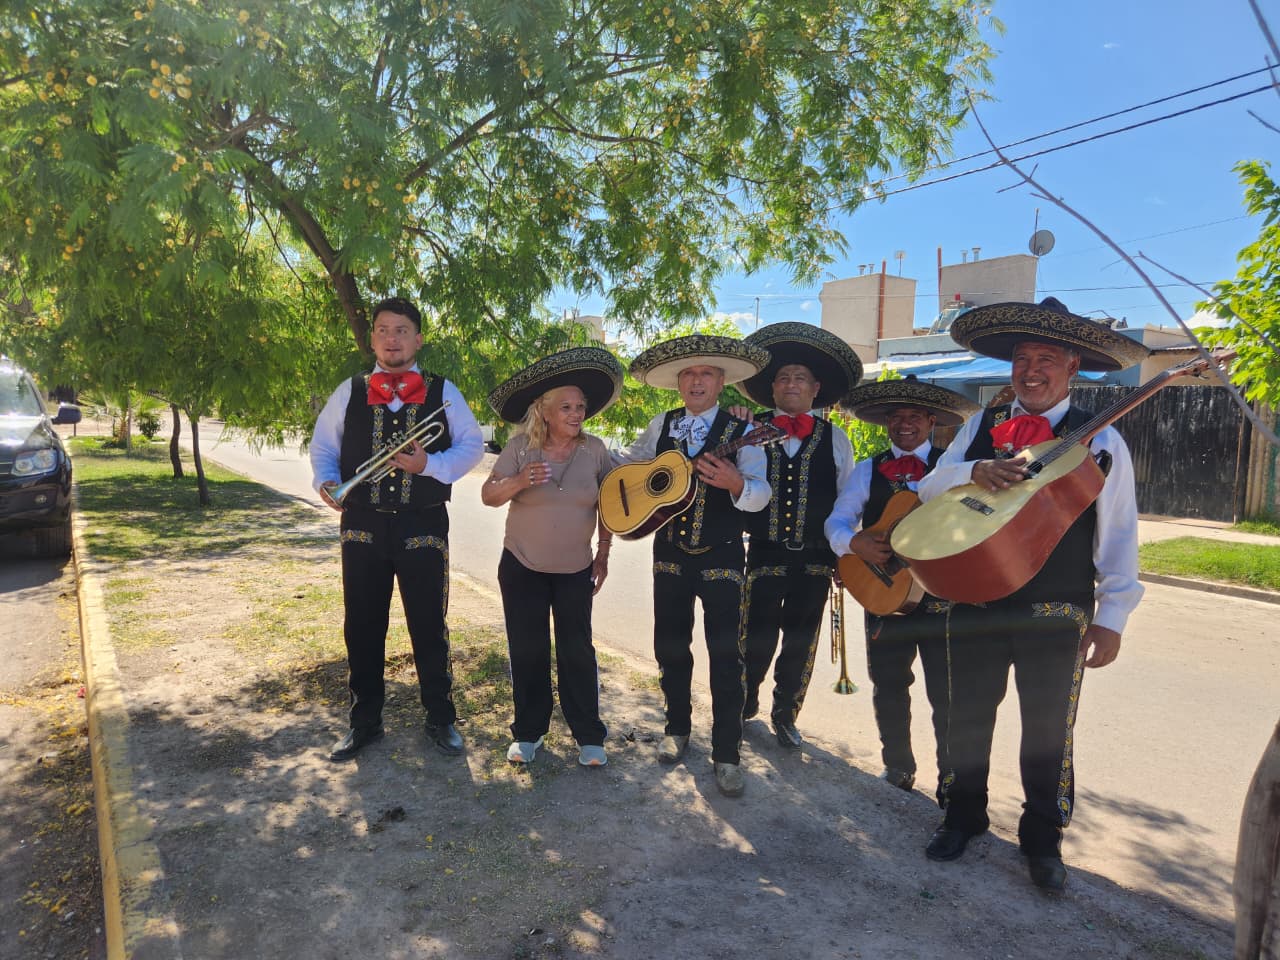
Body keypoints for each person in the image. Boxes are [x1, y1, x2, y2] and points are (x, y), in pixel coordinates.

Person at [915, 297, 1148, 892]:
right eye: (1022, 358)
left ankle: (1043, 838)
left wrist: (1114, 614)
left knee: (1048, 730)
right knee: (966, 718)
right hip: (974, 600)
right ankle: (962, 815)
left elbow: (1118, 533)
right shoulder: (979, 426)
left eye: (1047, 358)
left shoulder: (1101, 440)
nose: (1032, 370)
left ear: (1074, 367)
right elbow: (927, 488)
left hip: (1058, 608)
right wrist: (972, 471)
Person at [311, 296, 484, 762]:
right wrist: (326, 481)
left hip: (422, 521)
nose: (392, 338)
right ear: (372, 338)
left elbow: (472, 446)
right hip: (362, 524)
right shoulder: (349, 391)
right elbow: (324, 445)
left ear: (418, 338)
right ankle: (364, 721)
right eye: (384, 330)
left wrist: (432, 463)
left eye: (402, 330)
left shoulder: (443, 390)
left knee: (429, 623)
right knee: (362, 625)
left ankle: (441, 717)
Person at [616, 334, 772, 797]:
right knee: (670, 646)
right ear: (678, 383)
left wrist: (735, 481)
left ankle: (726, 754)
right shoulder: (661, 422)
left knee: (726, 656)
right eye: (688, 374)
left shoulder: (746, 430)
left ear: (722, 381)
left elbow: (761, 495)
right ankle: (676, 729)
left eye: (706, 373)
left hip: (723, 554)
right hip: (668, 553)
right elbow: (632, 463)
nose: (697, 380)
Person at [825, 378, 978, 795]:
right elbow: (837, 520)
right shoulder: (866, 470)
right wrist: (854, 542)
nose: (905, 424)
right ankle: (898, 767)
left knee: (947, 693)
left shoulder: (955, 470)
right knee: (889, 685)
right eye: (896, 417)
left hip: (943, 599)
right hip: (883, 593)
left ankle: (952, 778)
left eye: (914, 416)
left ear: (932, 421)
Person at [481, 347, 624, 768]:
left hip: (575, 568)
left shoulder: (596, 450)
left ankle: (588, 735)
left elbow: (612, 503)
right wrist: (519, 480)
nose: (577, 413)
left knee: (577, 650)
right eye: (567, 407)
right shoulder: (520, 447)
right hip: (521, 564)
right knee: (528, 649)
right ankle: (528, 732)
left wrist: (604, 552)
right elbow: (489, 495)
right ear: (544, 411)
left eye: (580, 407)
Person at [735, 322, 862, 751]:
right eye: (784, 377)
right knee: (755, 635)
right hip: (765, 553)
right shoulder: (750, 432)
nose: (792, 384)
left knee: (801, 642)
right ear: (772, 389)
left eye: (800, 378)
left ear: (815, 389)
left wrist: (848, 557)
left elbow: (848, 502)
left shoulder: (837, 439)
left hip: (815, 559)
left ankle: (786, 713)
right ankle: (744, 701)